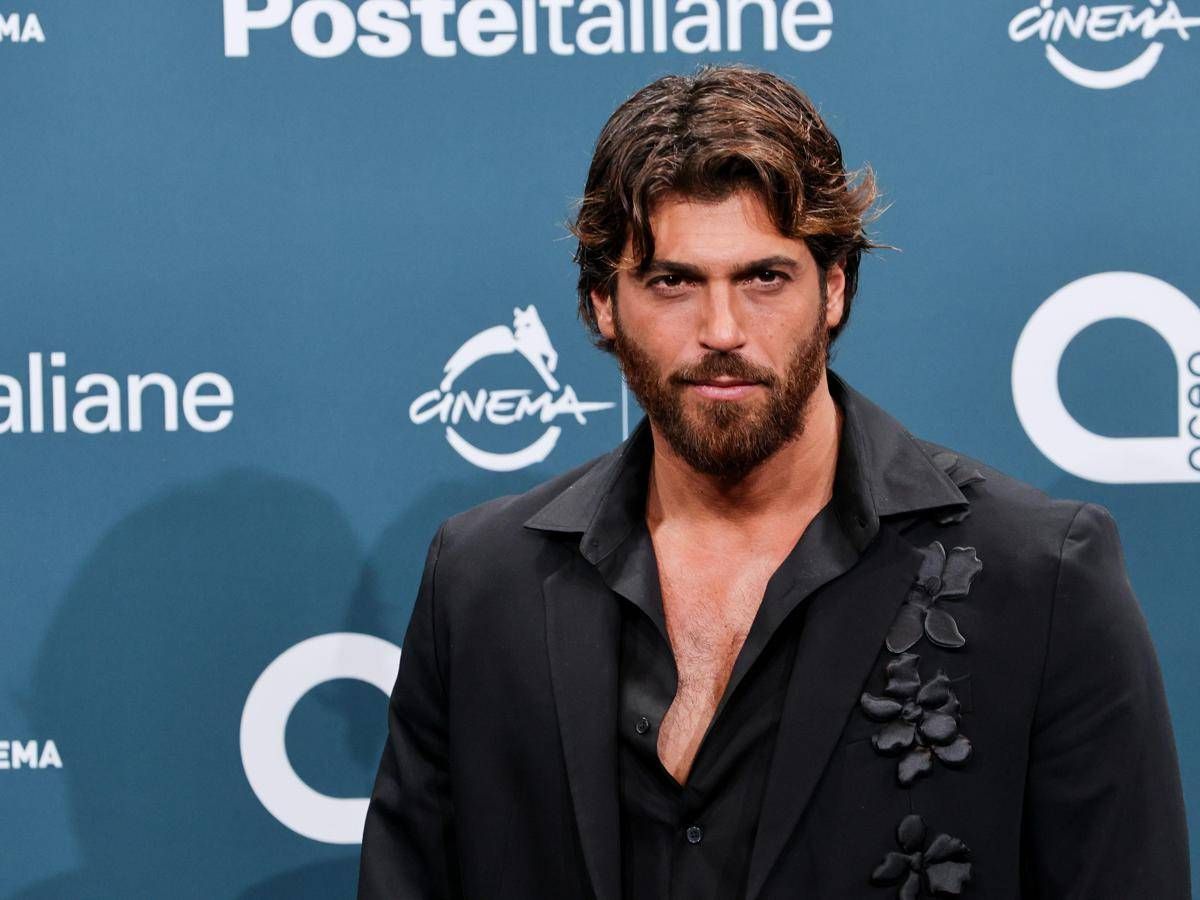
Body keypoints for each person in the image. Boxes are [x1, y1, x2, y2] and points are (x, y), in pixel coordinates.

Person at [357, 63, 1190, 899]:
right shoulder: (481, 583)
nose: (722, 330)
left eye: (764, 277)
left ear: (834, 289)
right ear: (603, 303)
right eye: (672, 281)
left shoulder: (1040, 579)